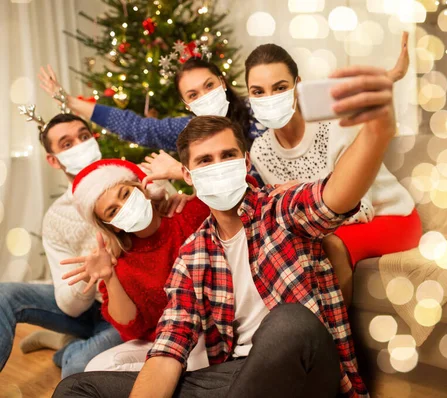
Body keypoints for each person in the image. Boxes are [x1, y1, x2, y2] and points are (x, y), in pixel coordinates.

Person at [53, 63, 397, 398]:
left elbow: (336, 195)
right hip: (238, 375)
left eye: (227, 155)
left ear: (246, 163)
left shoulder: (280, 209)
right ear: (186, 175)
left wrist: (377, 129)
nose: (218, 167)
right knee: (77, 387)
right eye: (204, 161)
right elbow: (168, 350)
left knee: (288, 322)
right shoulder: (194, 255)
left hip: (309, 365)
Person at [37, 32, 410, 160]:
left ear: (223, 81)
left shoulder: (261, 105)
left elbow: (327, 99)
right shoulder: (188, 131)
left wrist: (388, 78)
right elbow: (135, 127)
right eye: (193, 94)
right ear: (187, 103)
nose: (204, 96)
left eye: (209, 86)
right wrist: (70, 101)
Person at [245, 42, 422, 305]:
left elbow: (360, 208)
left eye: (280, 88)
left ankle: (340, 343)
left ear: (297, 86)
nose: (269, 98)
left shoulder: (336, 126)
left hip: (391, 219)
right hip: (325, 230)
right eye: (258, 91)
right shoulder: (260, 149)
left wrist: (302, 195)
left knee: (329, 246)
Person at [59, 158, 218, 372]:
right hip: (164, 341)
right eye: (112, 211)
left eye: (125, 194)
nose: (125, 207)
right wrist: (109, 277)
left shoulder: (186, 213)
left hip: (211, 329)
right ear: (112, 227)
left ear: (142, 189)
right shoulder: (121, 262)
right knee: (96, 368)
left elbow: (241, 188)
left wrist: (182, 173)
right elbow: (132, 328)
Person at [0, 113, 122, 378]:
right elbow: (70, 305)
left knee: (76, 368)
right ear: (53, 160)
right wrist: (89, 275)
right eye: (67, 144)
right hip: (87, 307)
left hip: (126, 312)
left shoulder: (133, 182)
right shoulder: (57, 217)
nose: (81, 145)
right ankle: (74, 338)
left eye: (84, 136)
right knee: (3, 294)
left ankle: (66, 346)